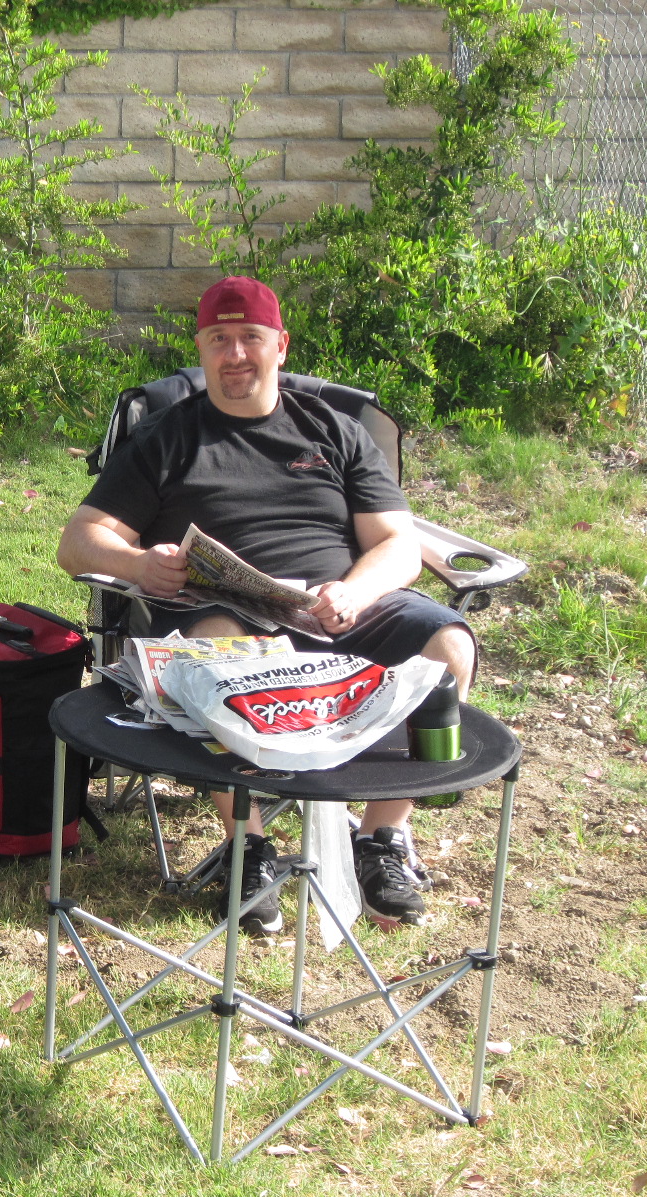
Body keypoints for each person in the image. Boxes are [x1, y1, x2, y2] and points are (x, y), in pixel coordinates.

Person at [56, 277, 476, 932]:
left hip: (340, 604)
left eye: (250, 338)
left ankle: (381, 840)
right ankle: (246, 845)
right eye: (218, 340)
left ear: (280, 346)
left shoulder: (334, 431)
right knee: (222, 639)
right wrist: (138, 563)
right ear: (200, 349)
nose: (235, 355)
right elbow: (79, 542)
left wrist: (355, 591)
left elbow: (397, 543)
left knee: (449, 646)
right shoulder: (168, 437)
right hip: (227, 615)